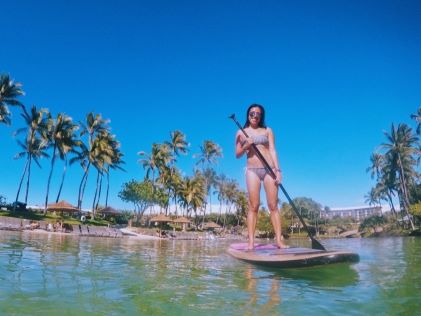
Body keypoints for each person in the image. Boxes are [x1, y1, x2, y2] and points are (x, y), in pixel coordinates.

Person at [235, 104, 288, 250]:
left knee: (273, 205)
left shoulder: (268, 130)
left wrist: (278, 170)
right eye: (252, 113)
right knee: (254, 206)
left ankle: (278, 241)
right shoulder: (241, 132)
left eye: (258, 114)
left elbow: (272, 149)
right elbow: (237, 154)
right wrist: (247, 145)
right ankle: (251, 243)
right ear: (248, 114)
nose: (254, 116)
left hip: (269, 169)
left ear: (261, 116)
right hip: (252, 170)